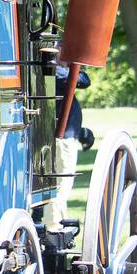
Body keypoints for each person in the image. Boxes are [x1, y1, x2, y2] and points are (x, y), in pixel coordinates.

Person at [47, 64, 91, 227]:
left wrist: (80, 133)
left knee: (60, 186)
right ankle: (53, 226)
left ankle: (55, 222)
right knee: (60, 185)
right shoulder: (56, 71)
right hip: (61, 139)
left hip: (65, 135)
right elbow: (83, 80)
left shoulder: (58, 72)